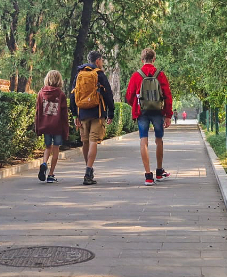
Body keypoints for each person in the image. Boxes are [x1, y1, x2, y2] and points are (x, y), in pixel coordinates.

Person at [125, 48, 173, 185]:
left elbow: (129, 96)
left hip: (142, 112)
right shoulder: (160, 74)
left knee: (143, 140)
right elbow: (168, 96)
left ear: (142, 60)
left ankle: (148, 176)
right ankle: (159, 172)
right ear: (154, 59)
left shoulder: (136, 75)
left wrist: (136, 104)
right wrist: (168, 115)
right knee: (159, 140)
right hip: (158, 111)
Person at [69, 51, 115, 185]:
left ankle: (88, 168)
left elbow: (73, 95)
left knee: (85, 142)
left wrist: (74, 114)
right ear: (98, 61)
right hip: (97, 112)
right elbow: (108, 94)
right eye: (102, 61)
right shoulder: (99, 74)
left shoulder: (79, 74)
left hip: (82, 113)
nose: (102, 63)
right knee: (93, 141)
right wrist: (110, 112)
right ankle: (88, 171)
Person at [35, 70, 69, 184]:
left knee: (47, 147)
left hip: (45, 125)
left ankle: (44, 163)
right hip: (57, 126)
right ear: (59, 80)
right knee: (56, 149)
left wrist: (38, 127)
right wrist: (66, 129)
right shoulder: (61, 94)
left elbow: (38, 111)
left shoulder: (41, 93)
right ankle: (51, 174)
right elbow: (64, 114)